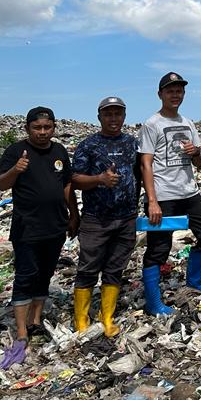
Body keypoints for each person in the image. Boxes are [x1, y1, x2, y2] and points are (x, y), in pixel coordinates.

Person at [0, 106, 79, 351]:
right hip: (27, 227)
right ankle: (21, 331)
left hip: (55, 225)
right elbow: (1, 184)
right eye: (37, 128)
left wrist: (74, 214)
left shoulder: (59, 150)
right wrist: (16, 169)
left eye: (47, 127)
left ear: (54, 127)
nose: (43, 132)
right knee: (25, 275)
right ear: (27, 128)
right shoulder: (16, 151)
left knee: (45, 273)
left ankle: (35, 320)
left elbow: (66, 185)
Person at [138, 72, 201, 314]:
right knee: (158, 249)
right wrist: (152, 201)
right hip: (163, 195)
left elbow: (198, 163)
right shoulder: (152, 124)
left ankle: (194, 280)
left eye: (179, 91)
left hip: (189, 192)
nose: (175, 95)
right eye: (170, 91)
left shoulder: (188, 123)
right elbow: (146, 164)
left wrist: (195, 152)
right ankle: (154, 304)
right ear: (160, 94)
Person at [70, 96, 138, 336]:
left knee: (115, 268)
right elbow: (75, 179)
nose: (113, 118)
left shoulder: (132, 143)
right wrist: (99, 179)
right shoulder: (88, 145)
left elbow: (141, 172)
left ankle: (106, 317)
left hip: (126, 217)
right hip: (96, 218)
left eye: (117, 114)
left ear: (124, 116)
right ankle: (81, 320)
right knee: (88, 268)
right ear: (99, 117)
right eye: (108, 114)